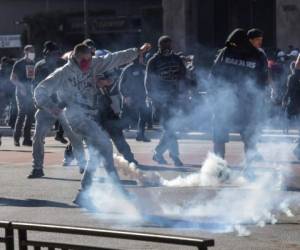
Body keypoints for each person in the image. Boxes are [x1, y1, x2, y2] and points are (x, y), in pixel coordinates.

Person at [34, 42, 151, 205]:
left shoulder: (94, 64)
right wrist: (50, 106)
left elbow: (115, 58)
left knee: (98, 153)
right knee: (105, 145)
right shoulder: (62, 73)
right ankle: (117, 191)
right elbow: (40, 90)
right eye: (83, 60)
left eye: (89, 59)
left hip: (92, 114)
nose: (87, 64)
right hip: (76, 115)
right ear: (75, 57)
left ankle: (84, 194)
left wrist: (137, 51)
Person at [28, 41, 86, 178]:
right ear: (45, 54)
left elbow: (73, 85)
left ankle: (84, 165)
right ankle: (37, 168)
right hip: (46, 106)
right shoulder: (39, 65)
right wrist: (38, 102)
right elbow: (35, 86)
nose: (53, 56)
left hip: (63, 105)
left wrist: (64, 103)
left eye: (55, 53)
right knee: (38, 137)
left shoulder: (64, 65)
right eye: (51, 53)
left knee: (74, 137)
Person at [210, 28, 268, 160]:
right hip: (239, 103)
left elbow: (214, 73)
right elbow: (263, 81)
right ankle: (247, 169)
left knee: (222, 135)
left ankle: (219, 166)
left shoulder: (226, 52)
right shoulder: (258, 55)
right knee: (247, 135)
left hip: (230, 102)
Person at [145, 35, 186, 166]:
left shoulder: (177, 59)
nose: (168, 47)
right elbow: (148, 81)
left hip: (174, 98)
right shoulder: (153, 61)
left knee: (171, 129)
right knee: (170, 128)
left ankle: (158, 153)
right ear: (159, 46)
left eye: (169, 44)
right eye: (165, 45)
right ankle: (174, 156)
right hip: (160, 100)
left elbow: (183, 75)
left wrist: (184, 91)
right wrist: (151, 97)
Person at [119, 54, 151, 142]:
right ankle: (118, 134)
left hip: (142, 96)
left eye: (142, 57)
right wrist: (126, 96)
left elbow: (150, 81)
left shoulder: (145, 68)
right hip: (130, 97)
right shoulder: (127, 69)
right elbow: (121, 84)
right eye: (140, 57)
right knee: (124, 115)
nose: (142, 58)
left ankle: (140, 134)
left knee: (143, 115)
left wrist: (150, 94)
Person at [10, 45, 36, 146]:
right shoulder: (19, 64)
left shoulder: (34, 63)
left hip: (31, 92)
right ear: (25, 52)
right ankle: (16, 138)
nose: (32, 53)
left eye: (33, 51)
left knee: (30, 115)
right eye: (30, 51)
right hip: (21, 91)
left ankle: (27, 139)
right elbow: (12, 78)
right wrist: (21, 87)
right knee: (22, 114)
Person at [283, 55, 300, 159]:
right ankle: (298, 149)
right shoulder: (293, 78)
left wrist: (285, 100)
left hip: (295, 104)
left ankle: (298, 148)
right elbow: (289, 91)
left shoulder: (291, 77)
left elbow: (288, 91)